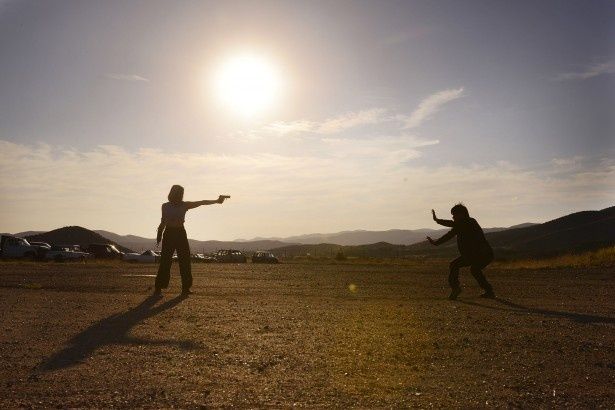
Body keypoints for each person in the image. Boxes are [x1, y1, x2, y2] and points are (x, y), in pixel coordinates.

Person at [154, 185, 228, 297]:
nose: (181, 195)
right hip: (169, 233)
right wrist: (159, 235)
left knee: (185, 260)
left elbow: (202, 202)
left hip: (180, 233)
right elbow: (163, 221)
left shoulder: (185, 205)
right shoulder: (165, 206)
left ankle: (185, 288)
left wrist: (217, 201)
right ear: (174, 194)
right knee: (165, 261)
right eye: (180, 193)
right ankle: (158, 288)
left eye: (182, 194)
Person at [426, 204, 495, 300]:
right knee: (474, 270)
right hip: (475, 255)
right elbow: (449, 235)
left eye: (454, 215)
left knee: (456, 265)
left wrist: (437, 220)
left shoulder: (469, 222)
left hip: (483, 254)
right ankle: (489, 291)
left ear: (462, 214)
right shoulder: (460, 225)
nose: (453, 217)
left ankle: (456, 289)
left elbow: (452, 226)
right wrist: (435, 243)